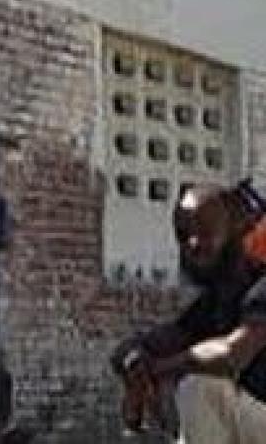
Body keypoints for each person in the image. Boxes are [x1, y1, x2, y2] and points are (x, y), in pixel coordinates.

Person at [112, 182, 266, 443]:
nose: (193, 244)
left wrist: (160, 370)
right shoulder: (215, 301)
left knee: (199, 387)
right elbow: (161, 339)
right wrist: (135, 363)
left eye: (205, 232)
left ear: (235, 229)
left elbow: (232, 355)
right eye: (183, 235)